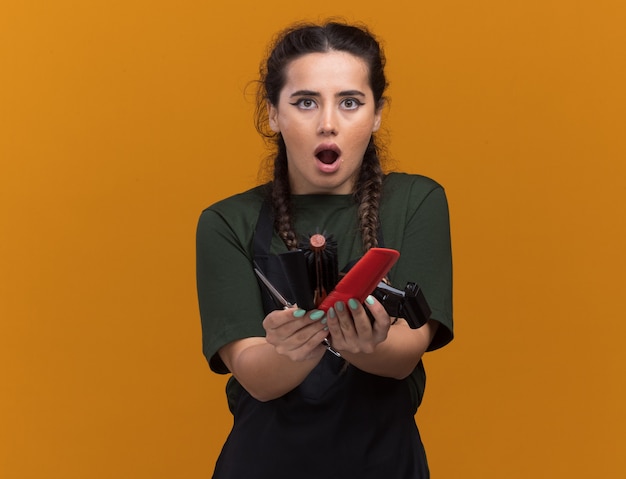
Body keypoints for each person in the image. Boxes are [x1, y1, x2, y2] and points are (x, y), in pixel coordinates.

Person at [196, 21, 453, 479]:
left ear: (376, 114)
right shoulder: (225, 222)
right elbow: (255, 375)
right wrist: (295, 346)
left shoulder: (418, 202)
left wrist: (362, 344)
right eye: (305, 102)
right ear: (274, 114)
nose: (328, 123)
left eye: (350, 102)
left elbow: (406, 354)